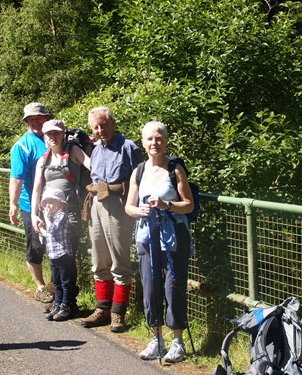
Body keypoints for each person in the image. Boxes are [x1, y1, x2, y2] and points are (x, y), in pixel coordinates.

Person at [124, 121, 195, 363]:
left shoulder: (175, 169)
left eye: (159, 138)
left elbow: (189, 204)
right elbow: (128, 206)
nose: (155, 143)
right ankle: (156, 339)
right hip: (146, 238)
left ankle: (177, 342)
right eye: (150, 139)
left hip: (173, 238)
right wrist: (139, 210)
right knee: (150, 288)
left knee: (173, 288)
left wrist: (167, 205)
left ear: (166, 140)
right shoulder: (139, 171)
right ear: (143, 142)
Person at [81, 106, 144, 333]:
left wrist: (120, 190)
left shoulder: (129, 147)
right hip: (97, 205)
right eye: (96, 127)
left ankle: (118, 313)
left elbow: (141, 178)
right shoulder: (96, 148)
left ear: (113, 123)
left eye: (103, 125)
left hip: (119, 206)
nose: (100, 130)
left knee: (120, 262)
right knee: (99, 260)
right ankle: (103, 309)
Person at [30, 119, 91, 314]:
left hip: (70, 215)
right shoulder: (43, 160)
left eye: (56, 133)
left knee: (67, 258)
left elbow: (93, 167)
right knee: (54, 258)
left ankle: (69, 302)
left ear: (63, 134)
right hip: (49, 216)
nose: (53, 137)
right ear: (45, 137)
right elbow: (37, 189)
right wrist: (34, 215)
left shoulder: (73, 152)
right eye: (49, 134)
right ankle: (59, 300)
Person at [9, 102, 53, 304]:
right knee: (36, 246)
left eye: (39, 117)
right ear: (26, 121)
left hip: (58, 204)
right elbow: (16, 178)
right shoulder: (22, 146)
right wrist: (13, 204)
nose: (36, 121)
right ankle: (41, 287)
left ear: (45, 118)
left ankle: (55, 286)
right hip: (32, 206)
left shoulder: (55, 137)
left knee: (59, 246)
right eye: (32, 118)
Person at [37, 187, 78, 321]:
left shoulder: (61, 216)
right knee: (57, 282)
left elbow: (52, 230)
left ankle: (66, 305)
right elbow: (48, 235)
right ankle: (58, 304)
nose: (48, 206)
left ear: (60, 203)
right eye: (46, 202)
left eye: (51, 202)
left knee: (65, 282)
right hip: (53, 255)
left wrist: (45, 221)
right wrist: (40, 230)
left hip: (63, 254)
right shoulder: (51, 216)